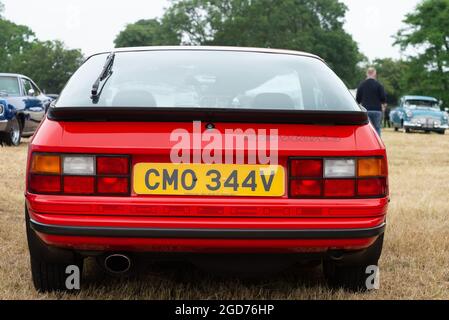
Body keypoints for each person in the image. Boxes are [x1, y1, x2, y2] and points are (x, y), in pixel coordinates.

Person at [356, 67, 387, 136]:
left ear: (367, 74)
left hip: (366, 110)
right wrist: (383, 105)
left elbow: (357, 99)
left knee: (367, 129)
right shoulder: (379, 85)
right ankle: (378, 144)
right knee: (377, 128)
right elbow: (383, 98)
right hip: (377, 110)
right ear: (375, 73)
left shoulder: (362, 85)